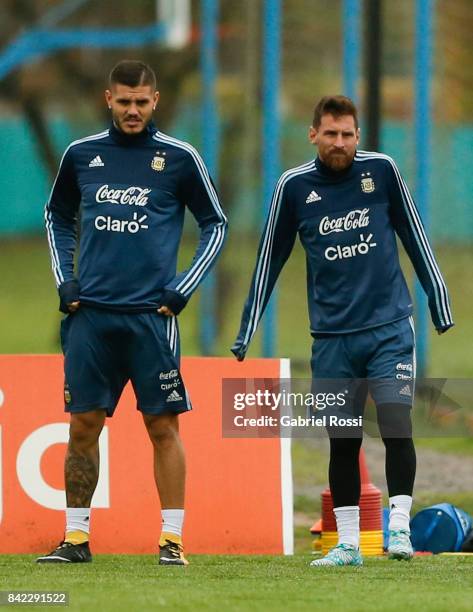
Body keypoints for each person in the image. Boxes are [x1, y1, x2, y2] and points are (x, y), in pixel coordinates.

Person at [232, 95, 453, 566]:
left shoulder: (382, 172)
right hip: (332, 338)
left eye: (347, 134)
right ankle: (349, 544)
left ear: (358, 136)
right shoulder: (293, 187)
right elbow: (269, 257)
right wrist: (248, 325)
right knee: (344, 438)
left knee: (395, 422)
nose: (339, 143)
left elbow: (414, 235)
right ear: (313, 134)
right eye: (330, 134)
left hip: (389, 326)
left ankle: (398, 530)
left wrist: (437, 295)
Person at [39, 60, 227, 565]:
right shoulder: (82, 155)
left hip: (151, 318)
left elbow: (216, 224)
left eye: (141, 102)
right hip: (91, 317)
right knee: (83, 424)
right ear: (108, 100)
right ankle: (76, 540)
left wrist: (183, 287)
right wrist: (66, 279)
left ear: (155, 101)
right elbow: (56, 215)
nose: (133, 111)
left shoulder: (180, 158)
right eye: (124, 102)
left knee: (162, 426)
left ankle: (172, 541)